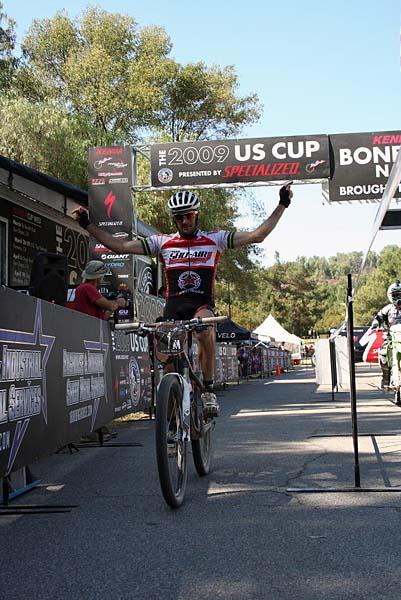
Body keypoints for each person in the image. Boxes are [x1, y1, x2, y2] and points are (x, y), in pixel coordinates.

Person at [72, 183, 293, 415]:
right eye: (179, 218)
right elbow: (119, 246)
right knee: (167, 360)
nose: (184, 221)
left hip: (201, 305)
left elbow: (258, 235)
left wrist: (283, 204)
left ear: (196, 215)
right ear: (174, 220)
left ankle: (207, 391)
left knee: (205, 329)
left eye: (188, 216)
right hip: (174, 307)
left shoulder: (214, 239)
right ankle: (172, 411)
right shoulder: (162, 242)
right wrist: (86, 224)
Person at [371, 280, 401, 389]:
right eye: (396, 295)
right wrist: (375, 325)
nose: (398, 297)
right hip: (391, 338)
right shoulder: (387, 309)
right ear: (390, 295)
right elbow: (378, 318)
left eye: (400, 295)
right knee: (383, 353)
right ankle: (386, 377)